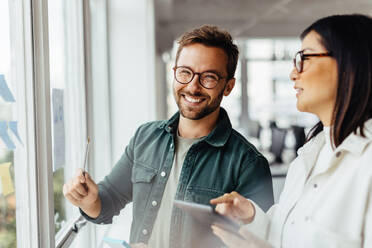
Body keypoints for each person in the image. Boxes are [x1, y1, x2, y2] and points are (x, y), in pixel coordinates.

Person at [63, 25, 274, 248]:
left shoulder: (248, 163)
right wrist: (89, 200)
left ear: (228, 86)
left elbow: (261, 242)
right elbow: (107, 203)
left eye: (209, 77)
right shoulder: (145, 137)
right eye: (185, 72)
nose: (193, 87)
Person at [210, 14, 372, 248]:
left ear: (350, 65)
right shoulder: (310, 155)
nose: (293, 73)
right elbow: (288, 234)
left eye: (305, 58)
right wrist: (251, 216)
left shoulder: (366, 162)